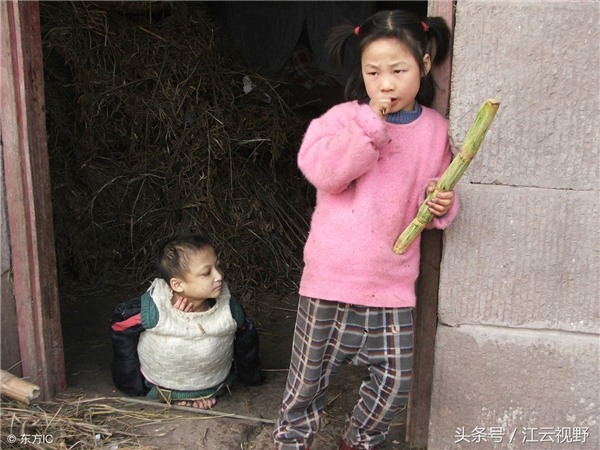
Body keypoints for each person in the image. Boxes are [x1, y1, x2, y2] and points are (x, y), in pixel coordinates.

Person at [273, 10, 456, 450]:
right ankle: (291, 440)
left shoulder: (436, 132)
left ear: (425, 66)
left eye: (398, 70)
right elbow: (328, 174)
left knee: (395, 382)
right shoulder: (343, 118)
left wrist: (441, 205)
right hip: (332, 277)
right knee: (306, 383)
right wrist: (370, 127)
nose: (385, 83)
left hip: (391, 281)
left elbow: (431, 201)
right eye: (373, 72)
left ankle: (358, 439)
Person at [110, 234, 262, 409]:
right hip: (160, 384)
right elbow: (120, 326)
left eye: (218, 266)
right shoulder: (154, 309)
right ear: (177, 285)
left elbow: (247, 337)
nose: (219, 275)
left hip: (213, 383)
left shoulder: (228, 309)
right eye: (207, 272)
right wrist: (130, 383)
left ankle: (198, 391)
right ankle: (172, 392)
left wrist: (250, 376)